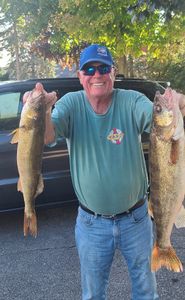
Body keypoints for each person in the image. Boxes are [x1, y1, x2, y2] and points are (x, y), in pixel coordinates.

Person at [25, 44, 185, 300]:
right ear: (80, 76)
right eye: (89, 68)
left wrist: (179, 103)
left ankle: (162, 247)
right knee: (93, 294)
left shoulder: (131, 100)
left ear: (113, 72)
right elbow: (46, 137)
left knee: (146, 291)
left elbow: (160, 123)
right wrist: (41, 110)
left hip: (136, 219)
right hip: (92, 224)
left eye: (103, 68)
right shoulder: (71, 104)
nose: (96, 74)